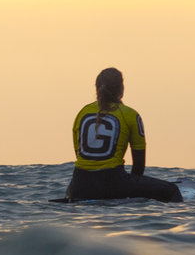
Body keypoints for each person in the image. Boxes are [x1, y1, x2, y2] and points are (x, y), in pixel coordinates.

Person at [65, 68, 183, 202]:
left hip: (78, 186)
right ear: (122, 89)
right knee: (172, 190)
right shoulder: (130, 115)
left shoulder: (82, 113)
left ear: (96, 89)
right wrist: (132, 192)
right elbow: (138, 165)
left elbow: (79, 154)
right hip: (112, 183)